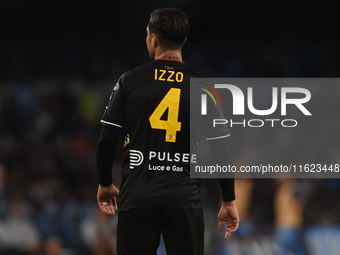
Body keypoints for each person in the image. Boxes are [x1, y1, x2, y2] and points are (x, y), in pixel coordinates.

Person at [96, 8, 239, 255]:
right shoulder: (204, 90)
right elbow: (221, 151)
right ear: (183, 40)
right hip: (183, 199)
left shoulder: (129, 81)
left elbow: (107, 138)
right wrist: (228, 199)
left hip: (138, 197)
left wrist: (105, 183)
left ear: (154, 39)